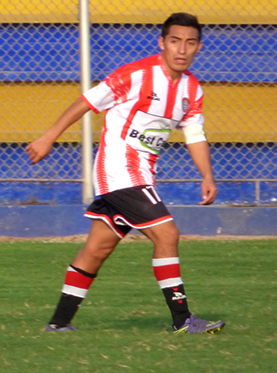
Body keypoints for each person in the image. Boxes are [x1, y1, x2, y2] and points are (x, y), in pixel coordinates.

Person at [26, 12, 225, 334]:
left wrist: (207, 176)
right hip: (119, 168)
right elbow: (87, 101)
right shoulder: (137, 74)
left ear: (198, 47)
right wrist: (49, 137)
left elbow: (195, 135)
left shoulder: (192, 89)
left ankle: (59, 323)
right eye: (175, 41)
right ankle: (183, 320)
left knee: (98, 248)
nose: (181, 49)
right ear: (162, 43)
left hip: (142, 173)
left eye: (190, 43)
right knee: (167, 234)